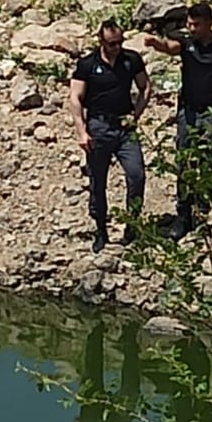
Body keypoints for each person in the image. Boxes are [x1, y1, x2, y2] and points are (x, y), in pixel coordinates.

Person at [144, 2, 212, 239]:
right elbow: (169, 46)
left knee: (207, 161)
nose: (191, 28)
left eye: (196, 24)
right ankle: (183, 216)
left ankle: (203, 213)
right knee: (184, 162)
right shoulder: (187, 44)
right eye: (189, 23)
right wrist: (155, 44)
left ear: (208, 23)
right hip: (188, 112)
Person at [69, 20, 150, 253]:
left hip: (124, 125)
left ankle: (132, 224)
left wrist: (136, 114)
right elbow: (76, 97)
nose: (117, 47)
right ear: (101, 41)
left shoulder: (130, 59)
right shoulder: (87, 64)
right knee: (98, 180)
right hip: (99, 125)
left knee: (137, 174)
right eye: (112, 44)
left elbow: (145, 87)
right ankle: (101, 229)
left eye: (120, 42)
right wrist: (82, 131)